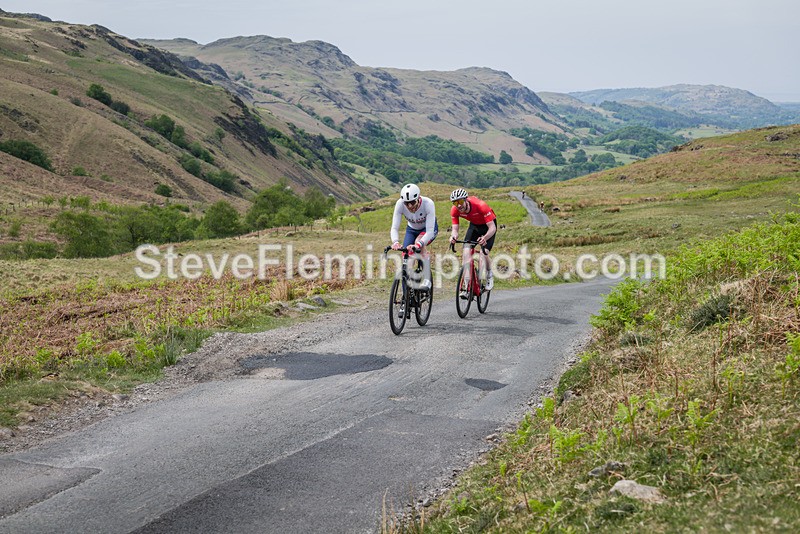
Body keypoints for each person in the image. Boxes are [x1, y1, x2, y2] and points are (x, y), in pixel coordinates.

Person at [449, 188, 497, 295]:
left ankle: (489, 275)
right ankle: (467, 287)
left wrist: (485, 238)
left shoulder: (480, 205)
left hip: (488, 226)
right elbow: (455, 229)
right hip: (474, 226)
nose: (459, 205)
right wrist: (453, 236)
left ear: (466, 200)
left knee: (484, 253)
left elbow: (492, 228)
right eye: (455, 203)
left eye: (460, 201)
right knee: (466, 252)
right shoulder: (455, 210)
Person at [390, 183, 438, 292]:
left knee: (419, 243)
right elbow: (394, 228)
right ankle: (406, 295)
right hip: (411, 229)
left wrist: (419, 244)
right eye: (407, 203)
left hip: (428, 229)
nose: (410, 206)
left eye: (412, 202)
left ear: (418, 198)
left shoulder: (428, 204)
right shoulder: (400, 204)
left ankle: (427, 278)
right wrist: (395, 242)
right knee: (406, 259)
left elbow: (430, 232)